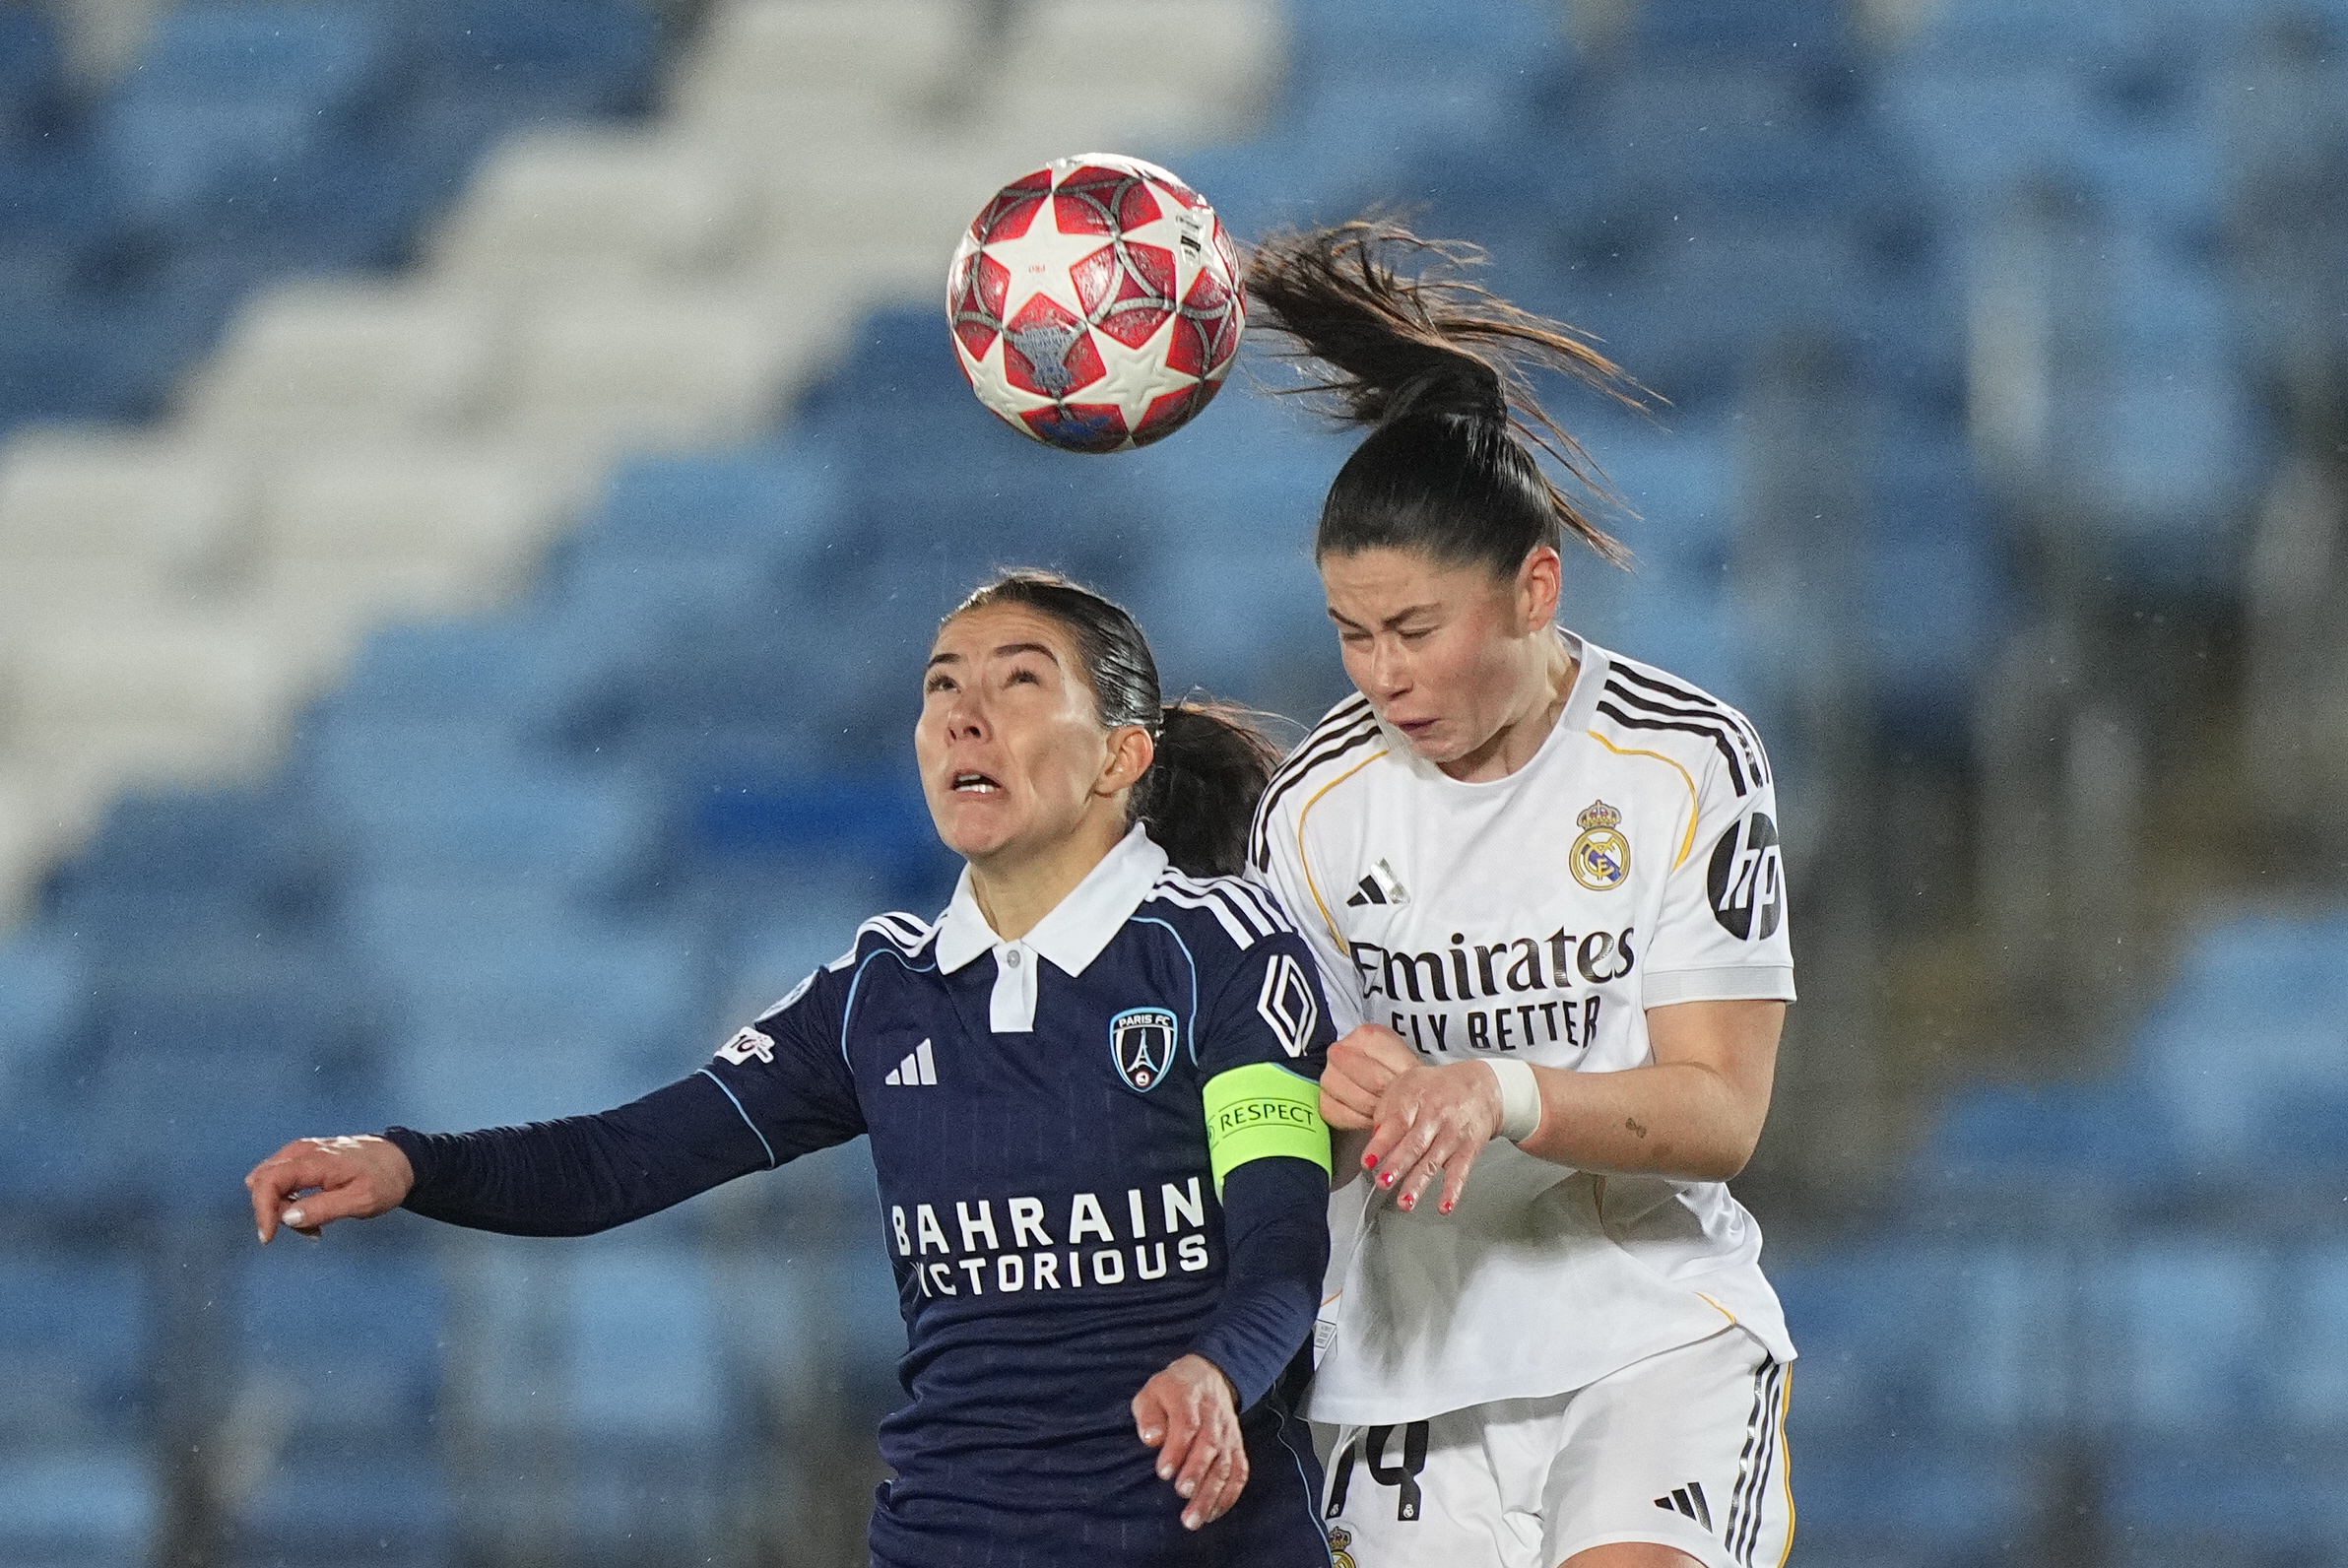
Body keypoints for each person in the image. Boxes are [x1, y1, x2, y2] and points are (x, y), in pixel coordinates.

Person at [245, 570, 1342, 1568]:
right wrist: (409, 1162)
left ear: (1121, 752)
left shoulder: (1219, 951)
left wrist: (1216, 1372)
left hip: (1200, 1545)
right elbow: (622, 1160)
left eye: (1018, 682)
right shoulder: (877, 991)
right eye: (940, 685)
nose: (963, 713)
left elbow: (1281, 1250)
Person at [1240, 222, 1798, 1568]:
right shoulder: (1309, 812)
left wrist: (1502, 1091)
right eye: (1351, 634)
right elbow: (1254, 1135)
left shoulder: (1684, 763)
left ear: (1535, 588)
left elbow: (1721, 1112)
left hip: (1651, 1334)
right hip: (1405, 1369)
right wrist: (1319, 1099)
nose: (1382, 675)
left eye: (1416, 631)